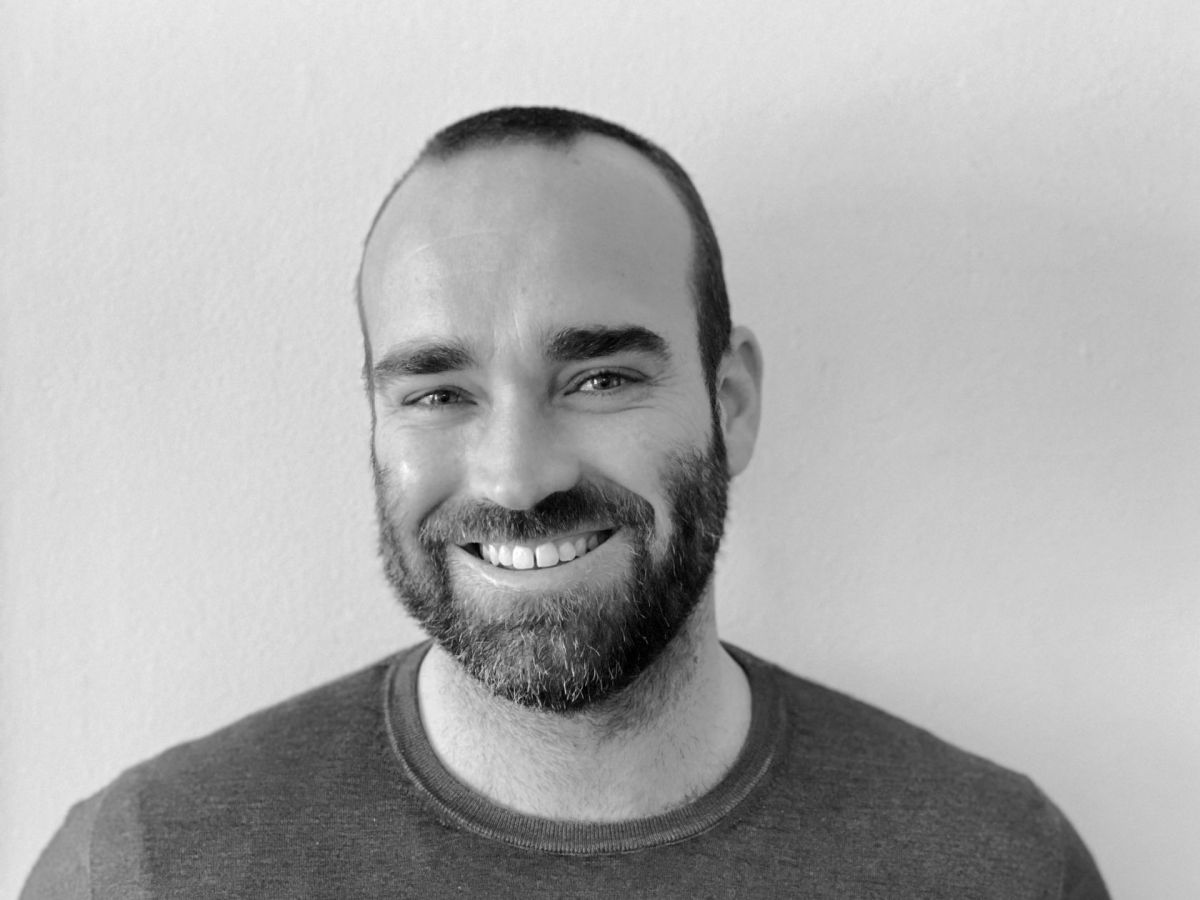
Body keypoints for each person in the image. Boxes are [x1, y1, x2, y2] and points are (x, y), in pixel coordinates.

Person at [22, 106, 1110, 898]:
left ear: (731, 403)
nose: (516, 476)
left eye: (598, 379)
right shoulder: (147, 866)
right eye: (438, 392)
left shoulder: (998, 863)